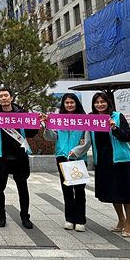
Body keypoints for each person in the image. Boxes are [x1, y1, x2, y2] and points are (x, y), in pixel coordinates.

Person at [70, 92, 130, 237]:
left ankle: (129, 222)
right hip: (103, 161)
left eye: (102, 102)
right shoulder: (92, 118)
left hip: (120, 160)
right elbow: (87, 139)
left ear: (108, 102)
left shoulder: (117, 116)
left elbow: (127, 136)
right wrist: (76, 152)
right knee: (113, 193)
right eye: (97, 102)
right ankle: (121, 219)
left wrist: (114, 128)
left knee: (126, 192)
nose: (100, 105)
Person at [0, 87, 39, 229]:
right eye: (1, 96)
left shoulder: (21, 114)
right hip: (0, 156)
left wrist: (37, 122)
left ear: (11, 98)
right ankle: (1, 215)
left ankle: (25, 217)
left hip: (19, 156)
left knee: (22, 188)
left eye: (6, 95)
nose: (4, 98)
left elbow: (31, 133)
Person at [41, 93, 88, 232]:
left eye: (72, 102)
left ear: (76, 104)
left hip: (78, 158)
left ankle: (80, 220)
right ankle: (69, 219)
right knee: (66, 189)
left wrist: (77, 151)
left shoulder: (84, 120)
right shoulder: (59, 119)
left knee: (79, 190)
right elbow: (51, 137)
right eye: (66, 103)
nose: (69, 105)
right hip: (62, 157)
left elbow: (87, 141)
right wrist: (47, 125)